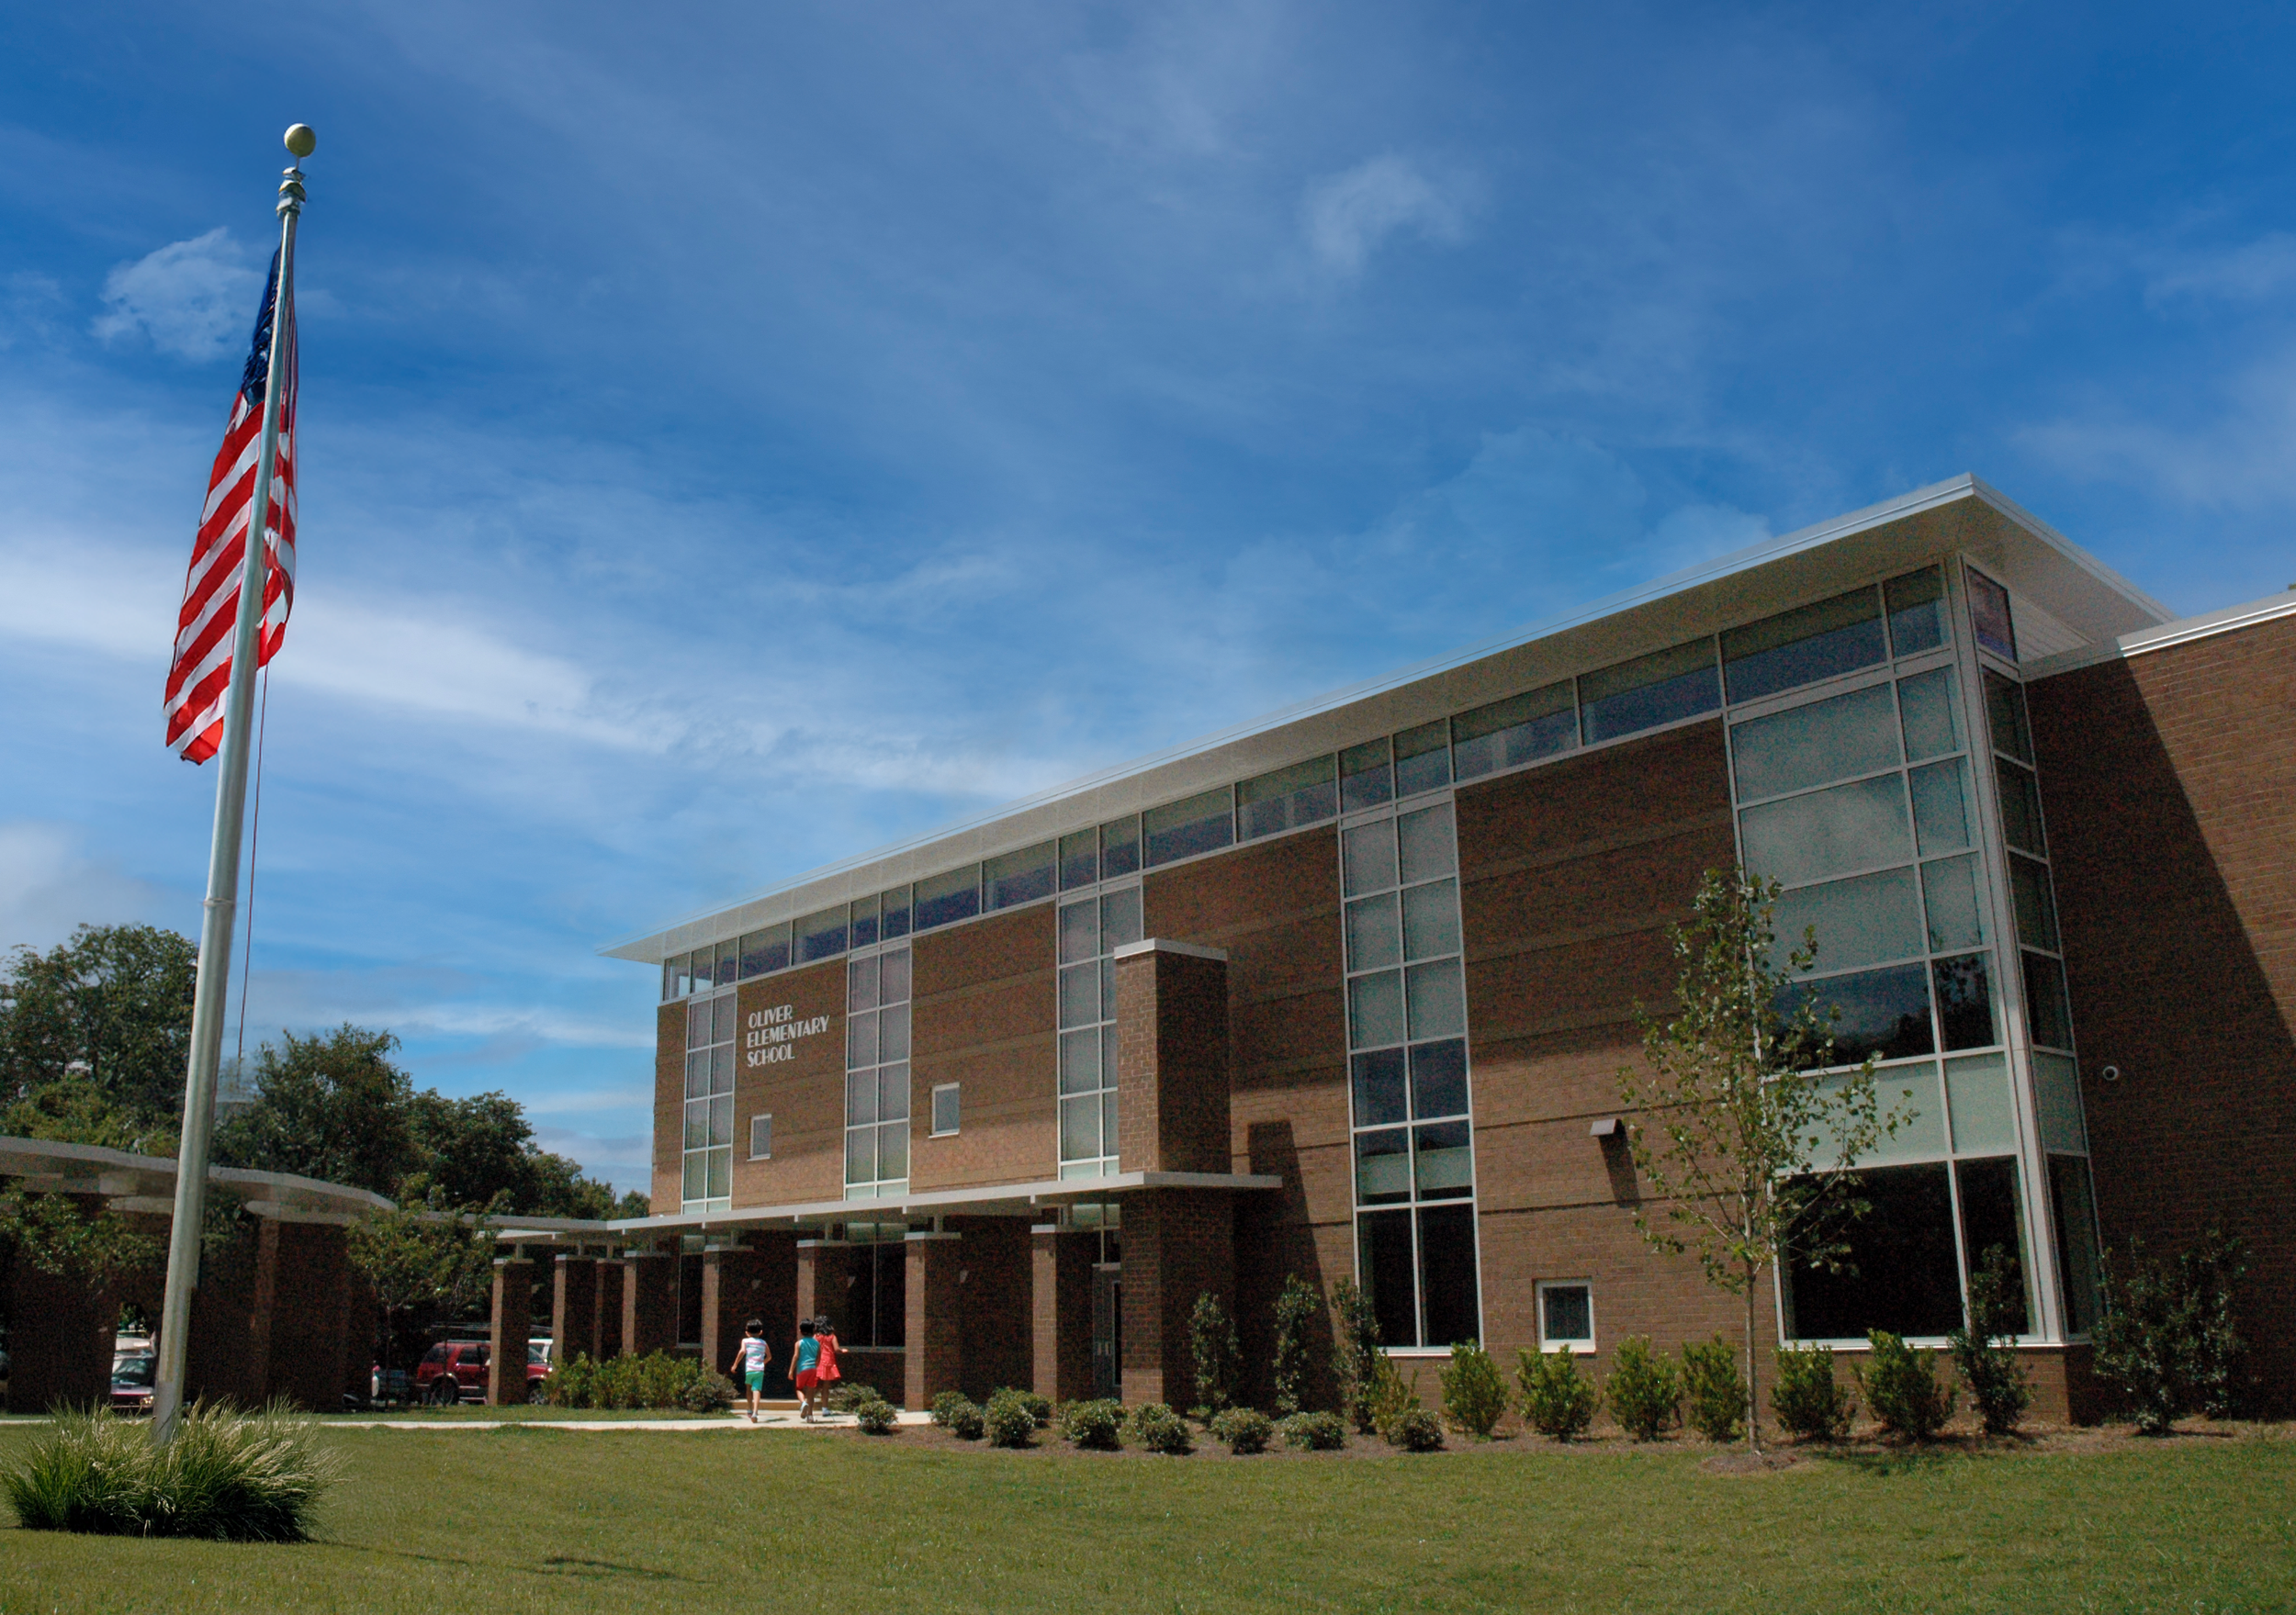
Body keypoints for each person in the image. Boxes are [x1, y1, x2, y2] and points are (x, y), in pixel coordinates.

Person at [728, 1319, 772, 1423]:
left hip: (749, 1369)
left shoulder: (745, 1341)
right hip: (760, 1369)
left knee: (748, 1388)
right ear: (761, 1332)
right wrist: (763, 1362)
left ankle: (749, 1408)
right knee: (757, 1390)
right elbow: (769, 1356)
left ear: (747, 1332)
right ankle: (755, 1412)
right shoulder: (763, 1343)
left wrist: (735, 1364)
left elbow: (742, 1351)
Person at [792, 1319, 821, 1420]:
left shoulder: (799, 1343)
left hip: (802, 1369)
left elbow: (796, 1357)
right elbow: (818, 1358)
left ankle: (803, 1403)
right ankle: (810, 1416)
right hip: (813, 1369)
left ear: (800, 1331)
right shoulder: (817, 1343)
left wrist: (791, 1371)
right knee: (811, 1392)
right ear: (814, 1330)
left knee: (799, 1389)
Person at [813, 1316, 842, 1408]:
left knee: (813, 1385)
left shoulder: (816, 1337)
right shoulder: (832, 1337)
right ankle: (825, 1408)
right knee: (826, 1387)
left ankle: (809, 1405)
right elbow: (837, 1349)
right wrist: (843, 1350)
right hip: (828, 1361)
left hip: (817, 1361)